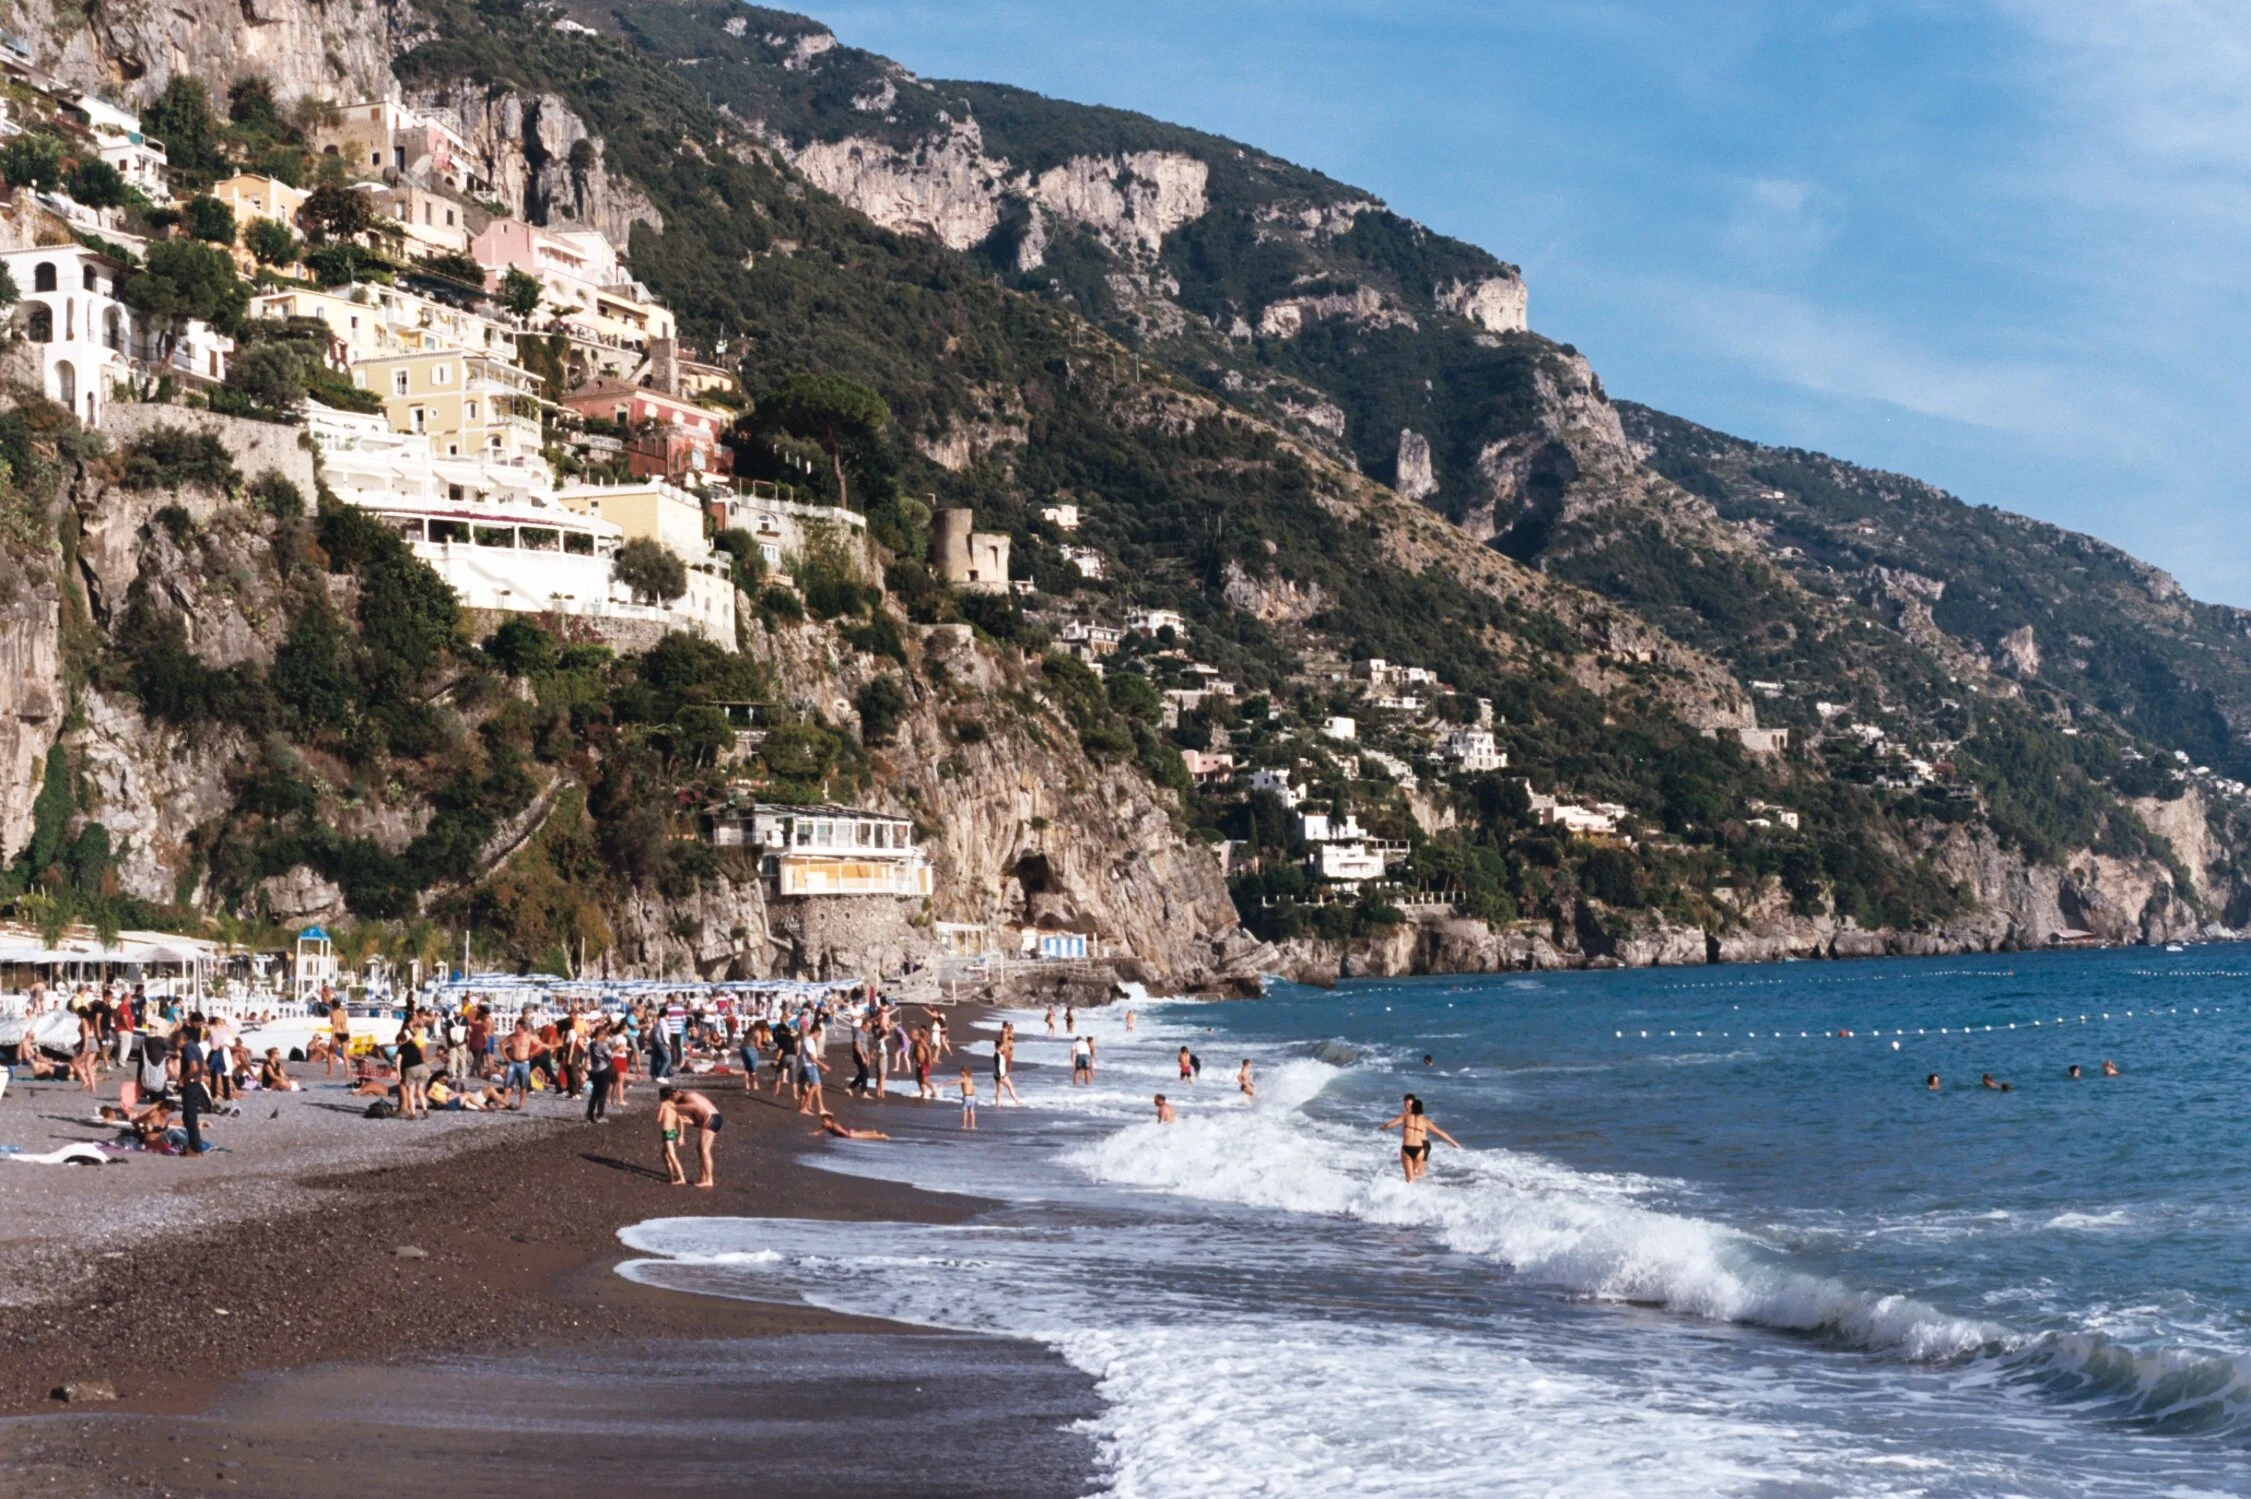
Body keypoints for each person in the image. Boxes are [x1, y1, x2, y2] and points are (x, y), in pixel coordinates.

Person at [1380, 1094, 1460, 1183]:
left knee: (1411, 1179)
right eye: (1405, 1105)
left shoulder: (1405, 1117)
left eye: (1409, 1105)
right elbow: (1439, 1132)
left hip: (1411, 1147)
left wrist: (1382, 1128)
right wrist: (1454, 1143)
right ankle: (1420, 1187)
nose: (1406, 1107)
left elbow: (1389, 1125)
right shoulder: (1424, 1120)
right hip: (1420, 1148)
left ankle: (1413, 1189)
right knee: (1419, 1174)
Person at [661, 1083, 722, 1188]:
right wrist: (686, 1121)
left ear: (676, 1093)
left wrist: (675, 1106)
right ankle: (703, 1176)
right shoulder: (687, 1100)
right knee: (699, 1149)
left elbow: (696, 1106)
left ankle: (709, 1180)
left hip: (711, 1118)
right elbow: (697, 1121)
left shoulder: (687, 1096)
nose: (673, 1101)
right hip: (711, 1119)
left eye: (673, 1098)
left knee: (705, 1150)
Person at [501, 1018, 538, 1110]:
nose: (515, 1030)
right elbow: (502, 1044)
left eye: (517, 1028)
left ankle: (521, 1103)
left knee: (523, 1085)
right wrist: (505, 1056)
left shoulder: (528, 1036)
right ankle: (505, 1102)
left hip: (524, 1063)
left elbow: (540, 1044)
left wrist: (532, 1053)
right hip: (513, 1062)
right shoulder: (512, 1036)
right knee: (508, 1083)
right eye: (515, 1028)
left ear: (523, 1028)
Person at [654, 1089, 688, 1186]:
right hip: (673, 1131)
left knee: (672, 1156)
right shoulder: (674, 1105)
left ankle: (682, 1178)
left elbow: (659, 1119)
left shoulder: (663, 1104)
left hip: (667, 1132)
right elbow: (681, 1121)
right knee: (664, 1154)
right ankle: (670, 1175)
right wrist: (681, 1136)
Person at [585, 1021, 615, 1123]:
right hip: (603, 1069)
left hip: (594, 1070)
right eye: (605, 1035)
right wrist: (619, 1049)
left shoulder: (591, 1044)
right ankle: (600, 1115)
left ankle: (589, 1113)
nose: (606, 1037)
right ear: (601, 1034)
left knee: (595, 1093)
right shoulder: (602, 1045)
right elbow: (611, 1056)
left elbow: (587, 1055)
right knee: (603, 1093)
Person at [993, 1026, 1021, 1106]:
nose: (1003, 1048)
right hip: (1000, 1075)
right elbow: (998, 1066)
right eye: (1002, 1047)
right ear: (999, 1047)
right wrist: (1000, 1076)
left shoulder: (998, 1054)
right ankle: (1016, 1101)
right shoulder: (997, 1055)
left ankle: (998, 1103)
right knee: (1010, 1087)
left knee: (1000, 1090)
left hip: (999, 1074)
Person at [815, 1111, 890, 1141]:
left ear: (830, 1121)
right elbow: (820, 1131)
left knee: (865, 1137)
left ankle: (882, 1136)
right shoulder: (826, 1126)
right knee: (861, 1133)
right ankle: (873, 1132)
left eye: (824, 1121)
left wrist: (849, 1137)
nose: (823, 1122)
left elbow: (842, 1132)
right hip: (848, 1132)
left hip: (849, 1134)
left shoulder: (835, 1126)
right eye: (823, 1121)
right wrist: (814, 1133)